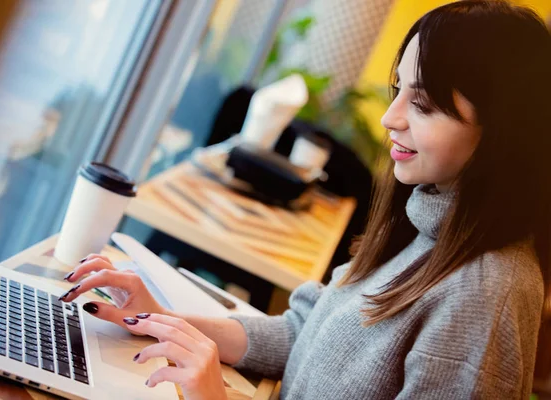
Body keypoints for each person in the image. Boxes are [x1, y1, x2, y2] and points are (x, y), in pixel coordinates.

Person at [60, 1, 551, 399]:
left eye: (422, 104)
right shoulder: (421, 219)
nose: (390, 117)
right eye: (398, 90)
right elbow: (304, 332)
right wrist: (162, 322)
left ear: (503, 133)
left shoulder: (489, 296)